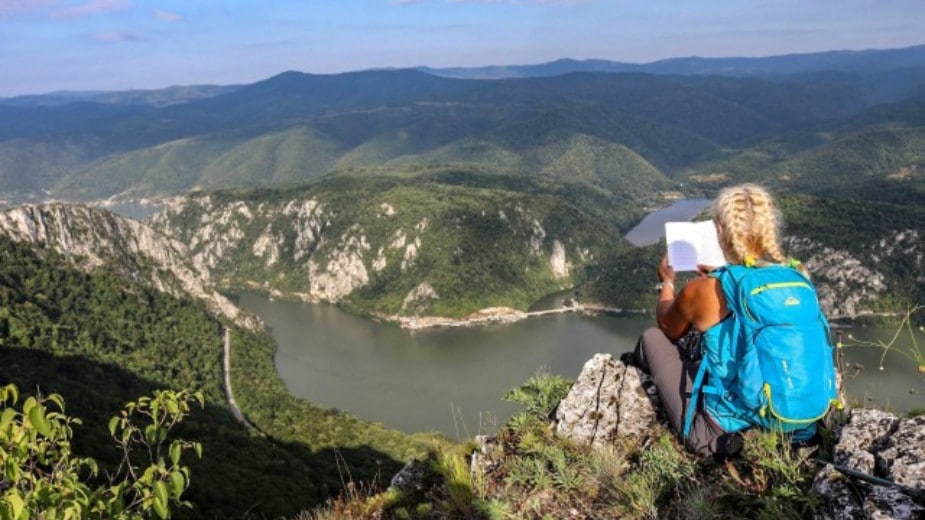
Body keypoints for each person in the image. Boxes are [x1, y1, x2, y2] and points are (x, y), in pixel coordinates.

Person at [628, 183, 812, 459]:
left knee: (651, 339)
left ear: (720, 231)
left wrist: (666, 283)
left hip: (722, 434)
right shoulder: (798, 276)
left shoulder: (706, 288)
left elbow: (668, 326)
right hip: (799, 421)